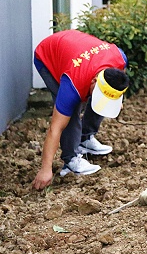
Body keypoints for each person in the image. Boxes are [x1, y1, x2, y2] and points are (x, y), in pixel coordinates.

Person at [32, 30, 130, 189]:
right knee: (72, 109)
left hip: (75, 47)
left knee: (100, 101)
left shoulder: (119, 57)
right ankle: (70, 160)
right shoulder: (72, 84)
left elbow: (120, 74)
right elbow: (55, 128)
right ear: (94, 81)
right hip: (47, 54)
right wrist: (45, 169)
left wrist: (115, 98)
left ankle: (85, 138)